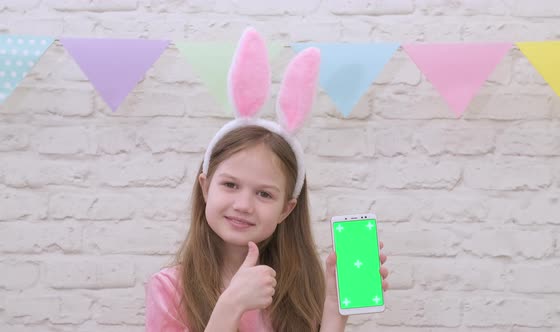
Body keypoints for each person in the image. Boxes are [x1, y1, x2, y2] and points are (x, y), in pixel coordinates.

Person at [145, 27, 389, 332]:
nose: (244, 205)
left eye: (265, 194)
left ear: (286, 209)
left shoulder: (300, 289)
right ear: (205, 187)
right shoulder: (170, 289)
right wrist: (231, 305)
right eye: (230, 185)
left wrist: (332, 310)